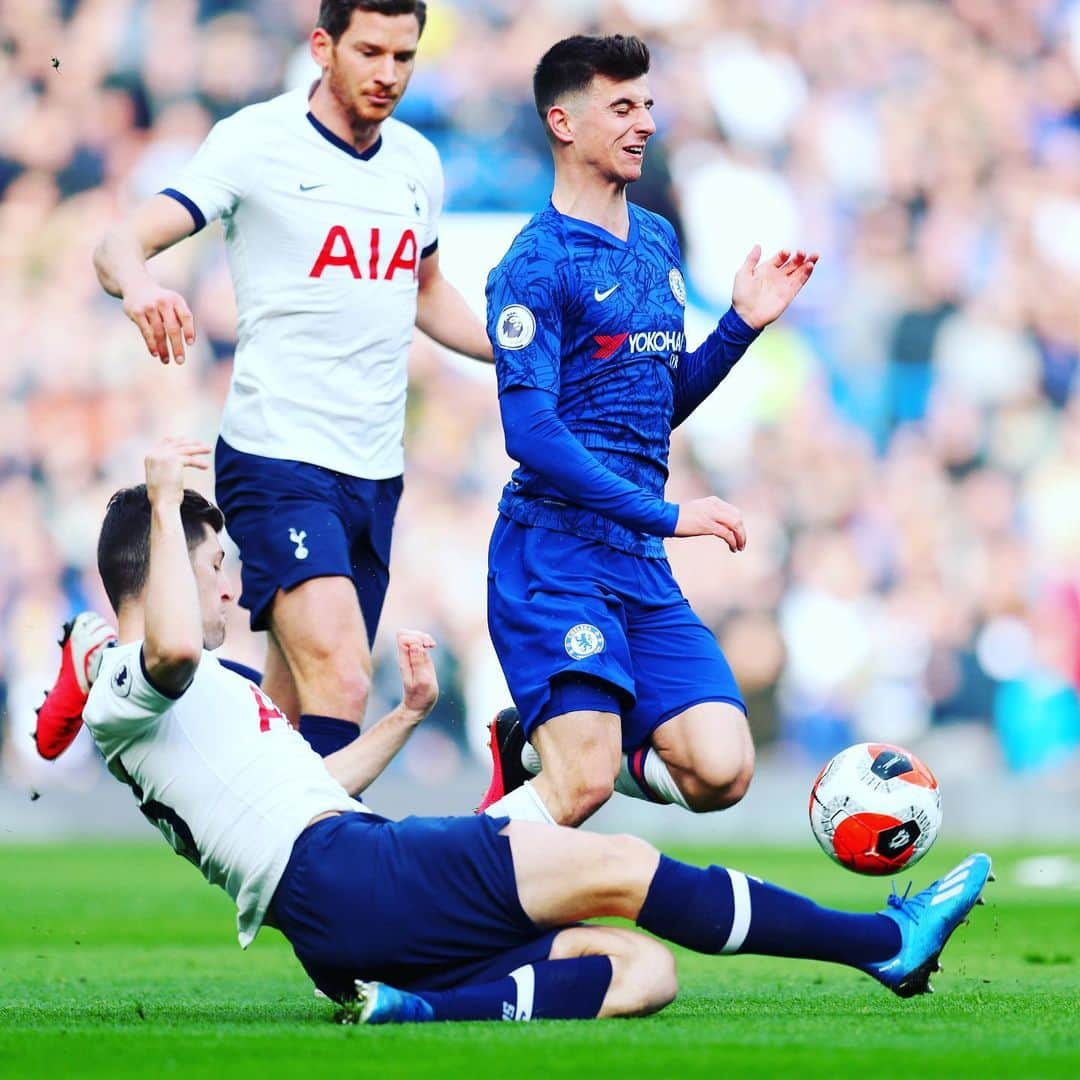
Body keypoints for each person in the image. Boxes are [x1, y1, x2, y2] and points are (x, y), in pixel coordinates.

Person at [80, 437, 991, 1024]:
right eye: (214, 568)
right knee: (625, 866)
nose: (232, 589)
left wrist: (402, 716)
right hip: (350, 875)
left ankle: (420, 1007)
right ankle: (886, 945)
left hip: (341, 910)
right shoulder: (133, 677)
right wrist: (164, 504)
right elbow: (155, 644)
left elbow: (313, 785)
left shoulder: (190, 694)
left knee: (640, 973)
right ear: (156, 570)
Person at [34, 0, 493, 763]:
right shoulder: (258, 142)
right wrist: (140, 288)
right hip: (278, 457)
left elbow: (425, 292)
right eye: (370, 51)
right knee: (344, 680)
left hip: (375, 474)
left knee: (281, 723)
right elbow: (122, 241)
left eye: (403, 57)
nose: (387, 74)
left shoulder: (417, 161)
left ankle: (104, 666)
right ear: (322, 46)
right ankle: (322, 871)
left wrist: (521, 358)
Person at [479, 34, 817, 827]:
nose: (644, 125)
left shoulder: (660, 240)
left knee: (721, 770)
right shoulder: (535, 262)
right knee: (584, 785)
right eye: (622, 107)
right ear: (563, 122)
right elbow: (529, 433)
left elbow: (649, 409)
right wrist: (671, 515)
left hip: (634, 556)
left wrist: (738, 326)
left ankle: (533, 747)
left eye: (648, 106)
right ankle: (429, 902)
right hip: (554, 552)